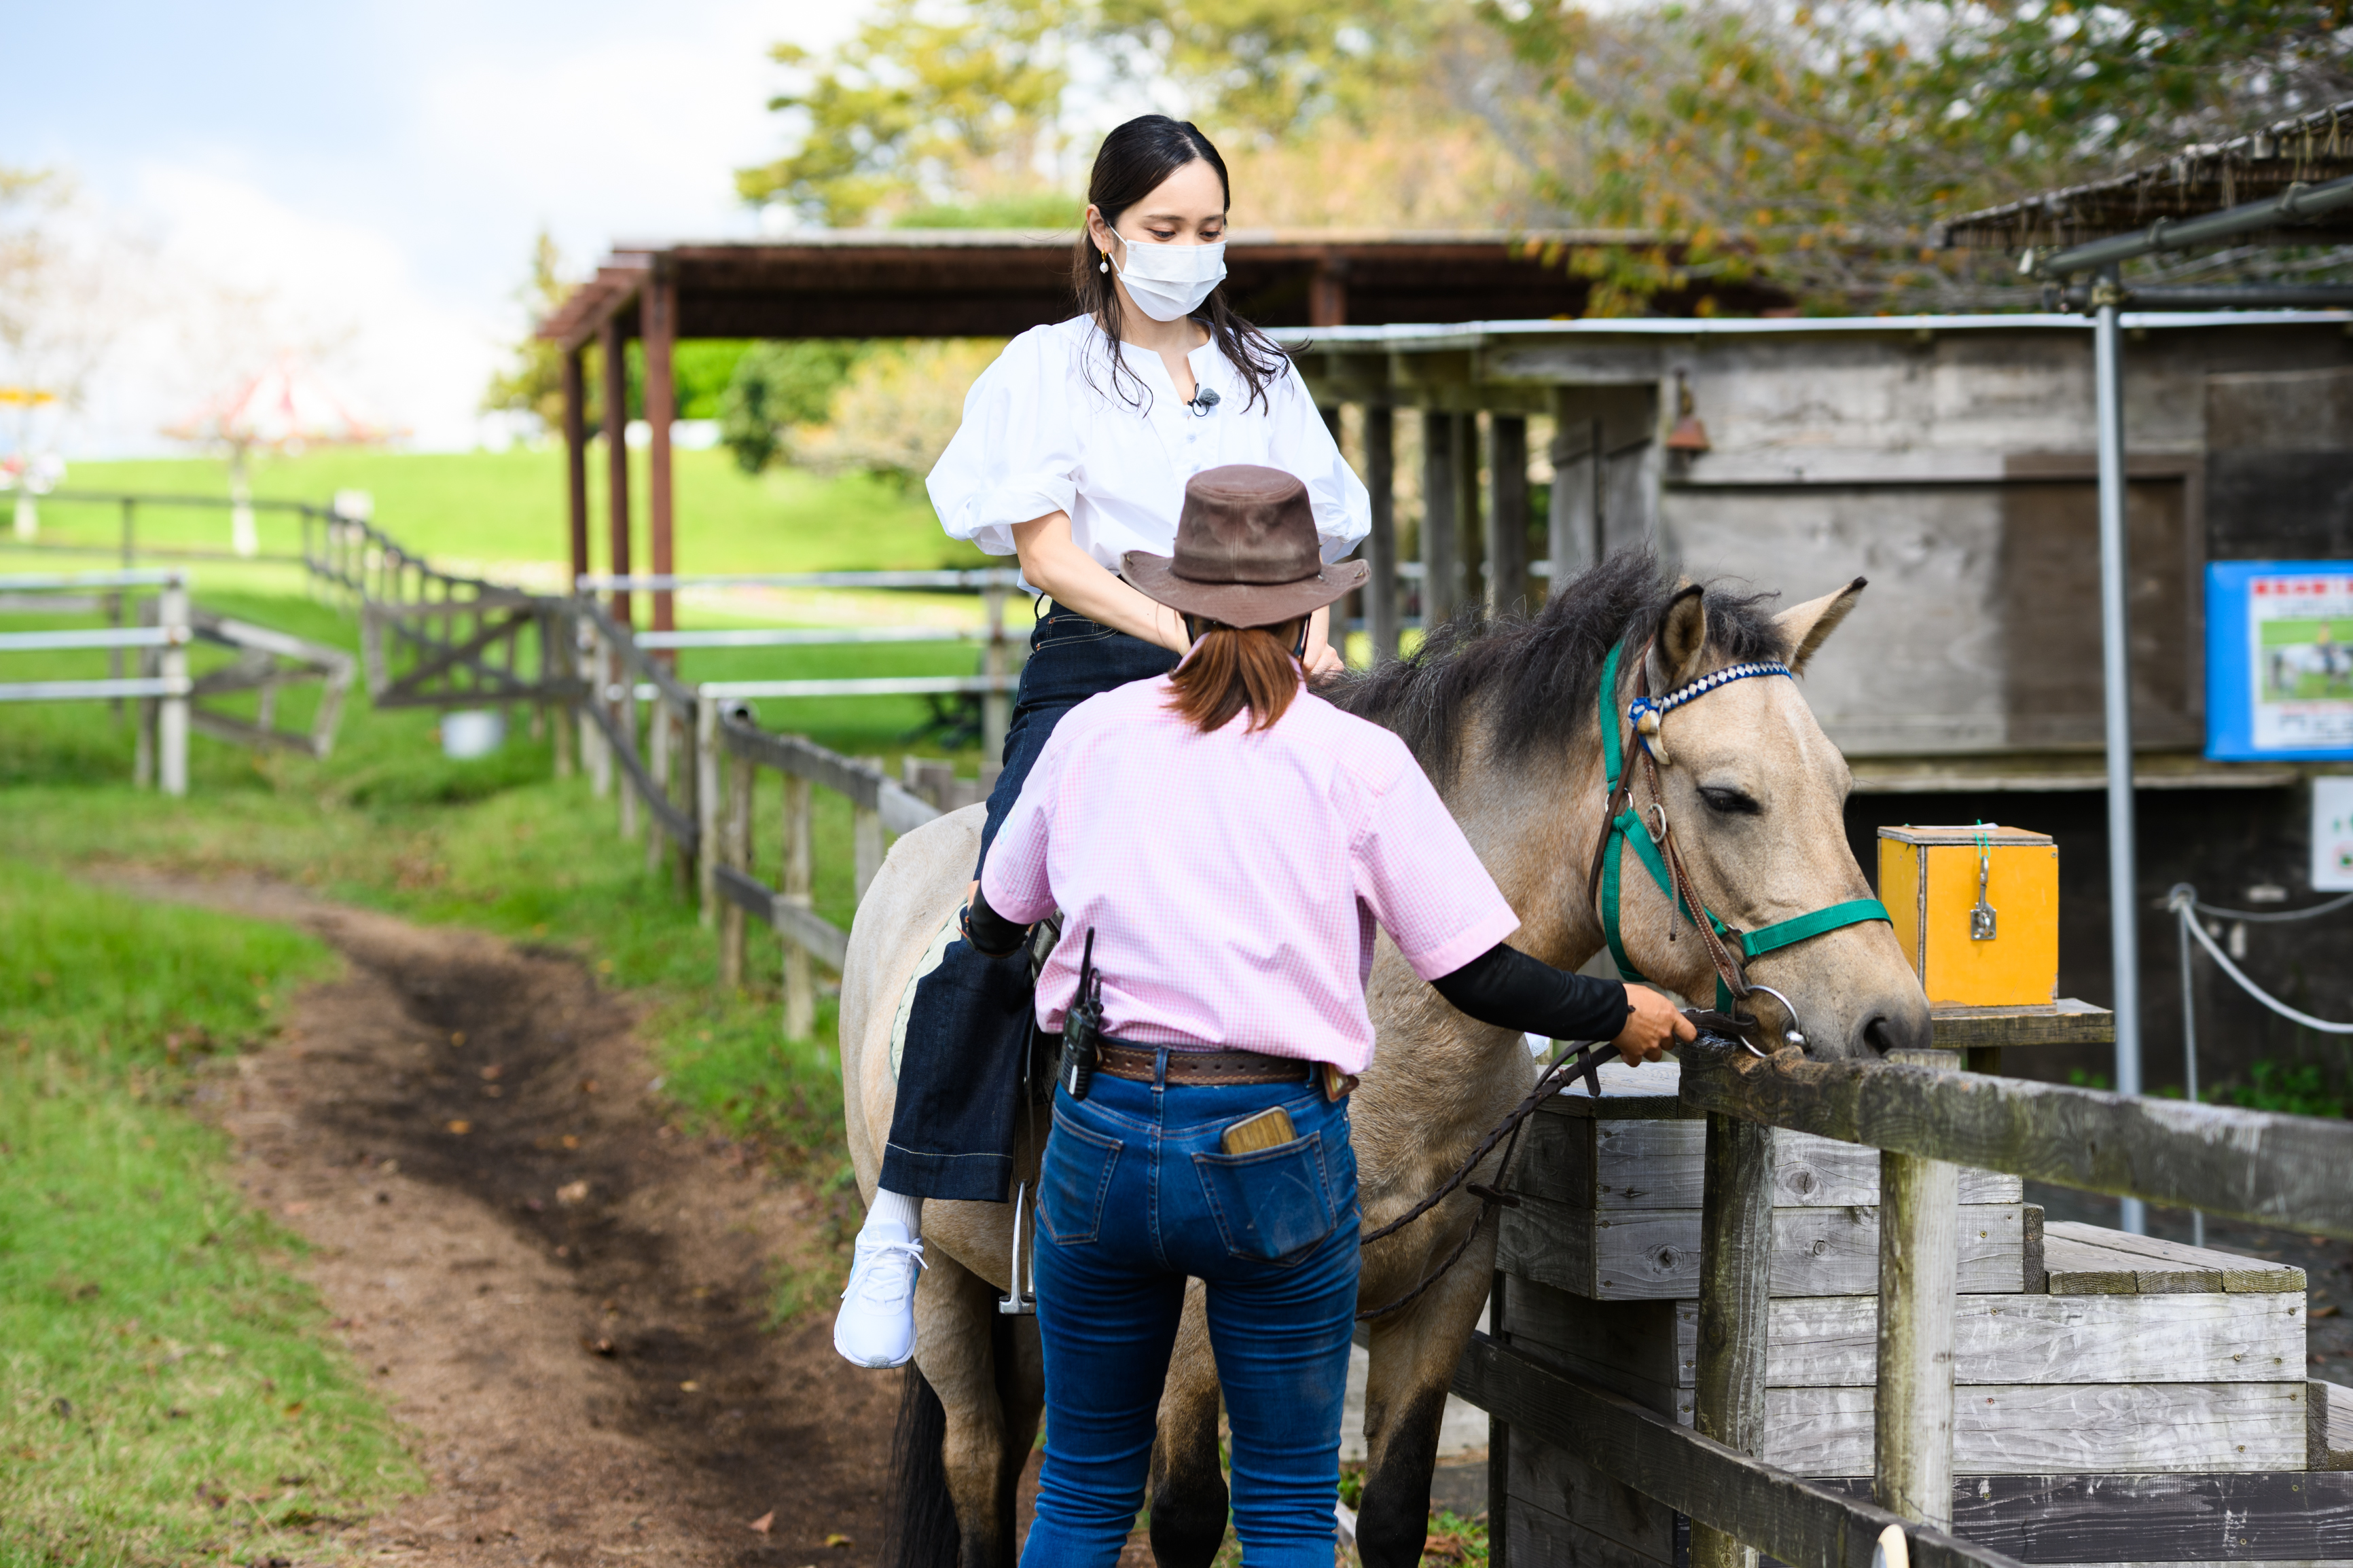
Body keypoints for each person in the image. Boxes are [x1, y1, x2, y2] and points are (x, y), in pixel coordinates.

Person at [960, 466, 1693, 1567]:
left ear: (1182, 609)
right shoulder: (1360, 760)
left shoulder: (1093, 734)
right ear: (1308, 617)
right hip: (1271, 1149)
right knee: (1291, 1506)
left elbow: (994, 921)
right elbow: (1478, 976)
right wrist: (1614, 1008)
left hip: (1102, 1133)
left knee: (1079, 1491)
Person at [833, 113, 1370, 1368]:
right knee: (1001, 902)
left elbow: (1320, 535)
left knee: (1366, 841)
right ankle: (901, 1212)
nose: (1190, 250)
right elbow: (1050, 553)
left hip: (1260, 655)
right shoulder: (1049, 368)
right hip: (1102, 652)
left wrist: (1313, 637)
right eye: (1164, 228)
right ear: (1104, 230)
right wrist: (1183, 632)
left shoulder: (1266, 374)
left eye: (1210, 228)